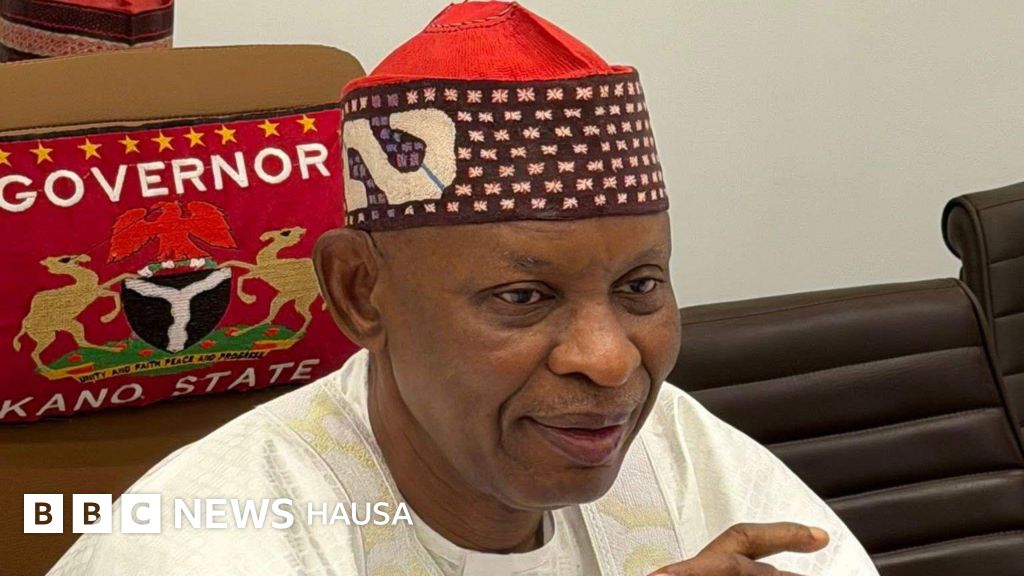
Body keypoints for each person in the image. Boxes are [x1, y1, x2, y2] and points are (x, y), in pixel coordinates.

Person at [50, 2, 879, 575]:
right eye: (523, 297)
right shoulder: (200, 543)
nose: (608, 360)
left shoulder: (673, 447)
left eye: (638, 286)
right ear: (360, 293)